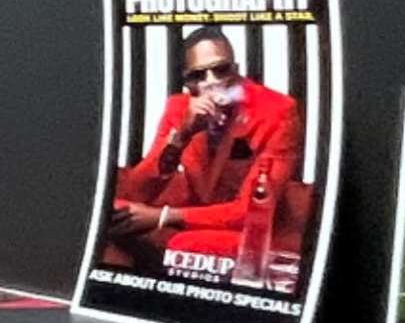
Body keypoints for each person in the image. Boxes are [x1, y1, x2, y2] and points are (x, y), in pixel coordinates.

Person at [97, 24, 306, 281]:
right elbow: (136, 191)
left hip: (258, 233)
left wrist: (163, 217)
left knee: (188, 244)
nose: (212, 82)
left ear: (236, 70)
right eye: (198, 75)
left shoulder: (277, 111)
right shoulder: (179, 108)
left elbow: (252, 211)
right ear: (188, 83)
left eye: (221, 70)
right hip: (198, 219)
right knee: (113, 215)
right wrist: (181, 136)